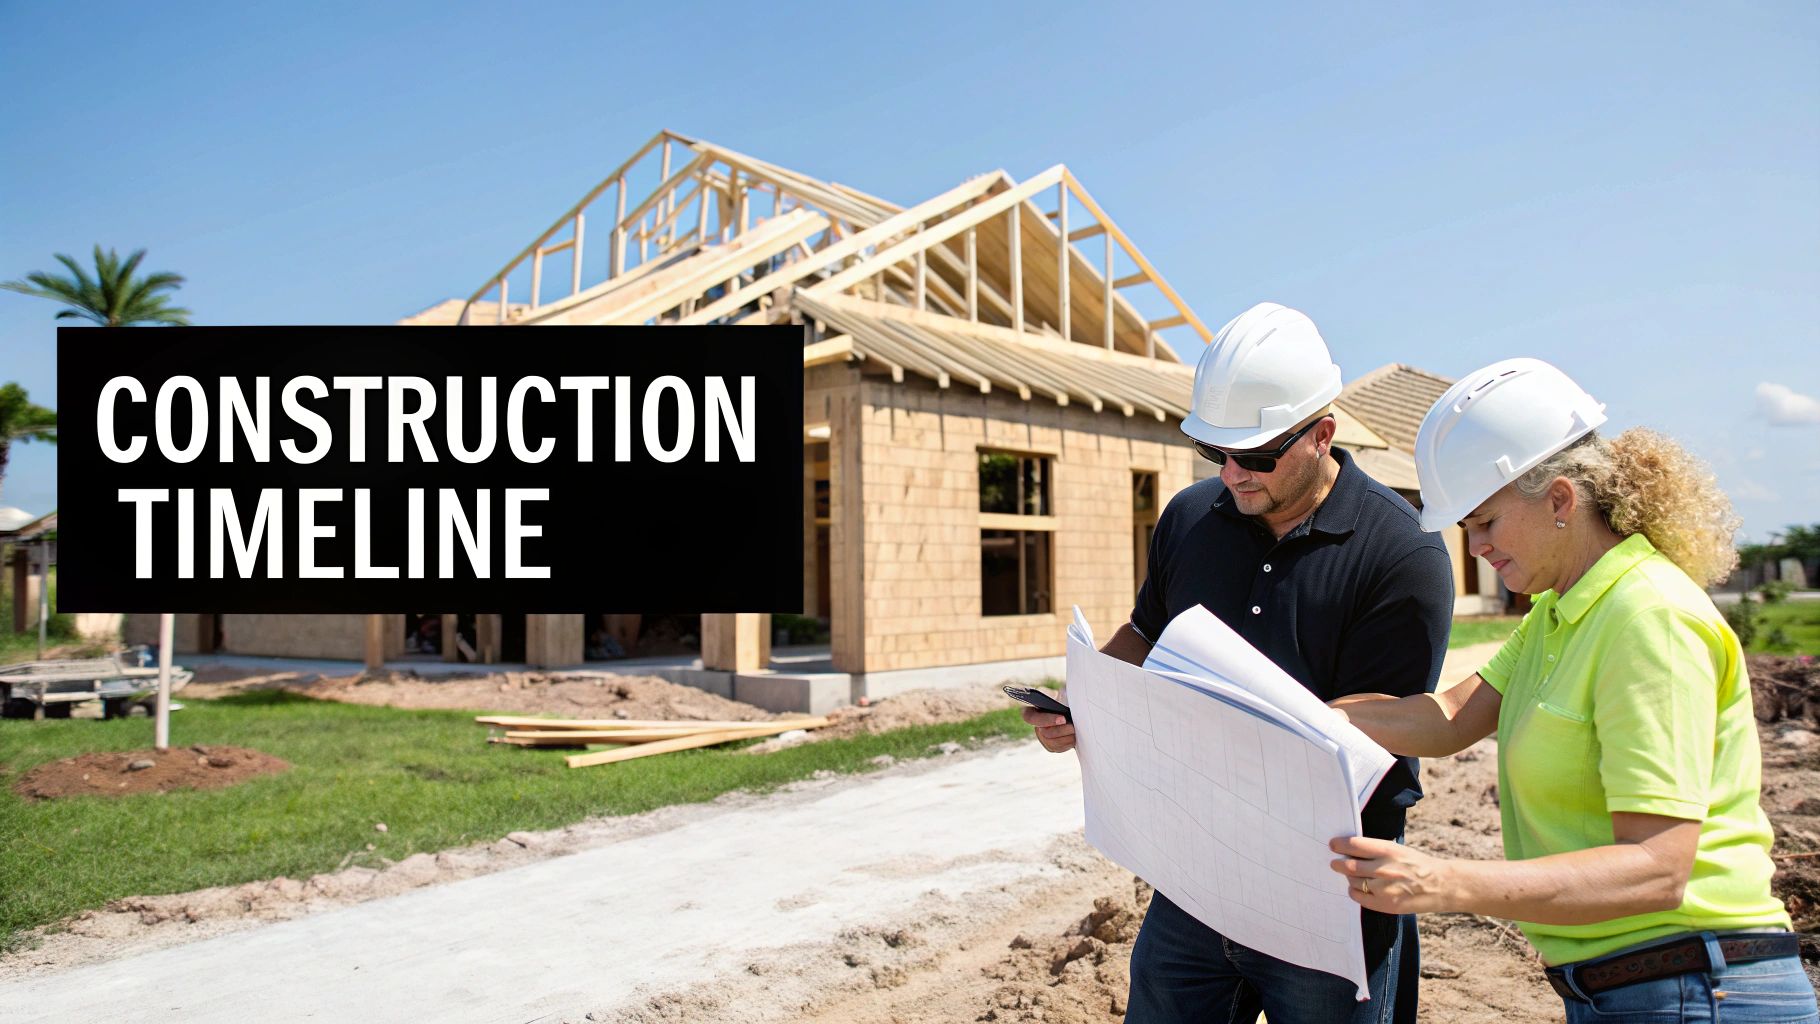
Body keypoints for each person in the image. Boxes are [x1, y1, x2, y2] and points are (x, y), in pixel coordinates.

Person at [1328, 358, 1817, 1023]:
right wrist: (1305, 714)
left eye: (1485, 523)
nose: (1472, 548)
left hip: (1697, 988)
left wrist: (1441, 881)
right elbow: (1447, 719)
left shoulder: (1648, 619)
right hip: (1644, 990)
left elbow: (1656, 868)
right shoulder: (1561, 612)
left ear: (1560, 499)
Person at [1025, 302, 1455, 1023]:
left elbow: (1380, 740)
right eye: (1215, 453)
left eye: (1255, 456)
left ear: (1323, 434)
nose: (1231, 474)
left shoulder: (1400, 554)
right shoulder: (1192, 520)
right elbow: (1145, 631)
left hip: (1329, 892)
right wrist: (1089, 701)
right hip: (1193, 879)